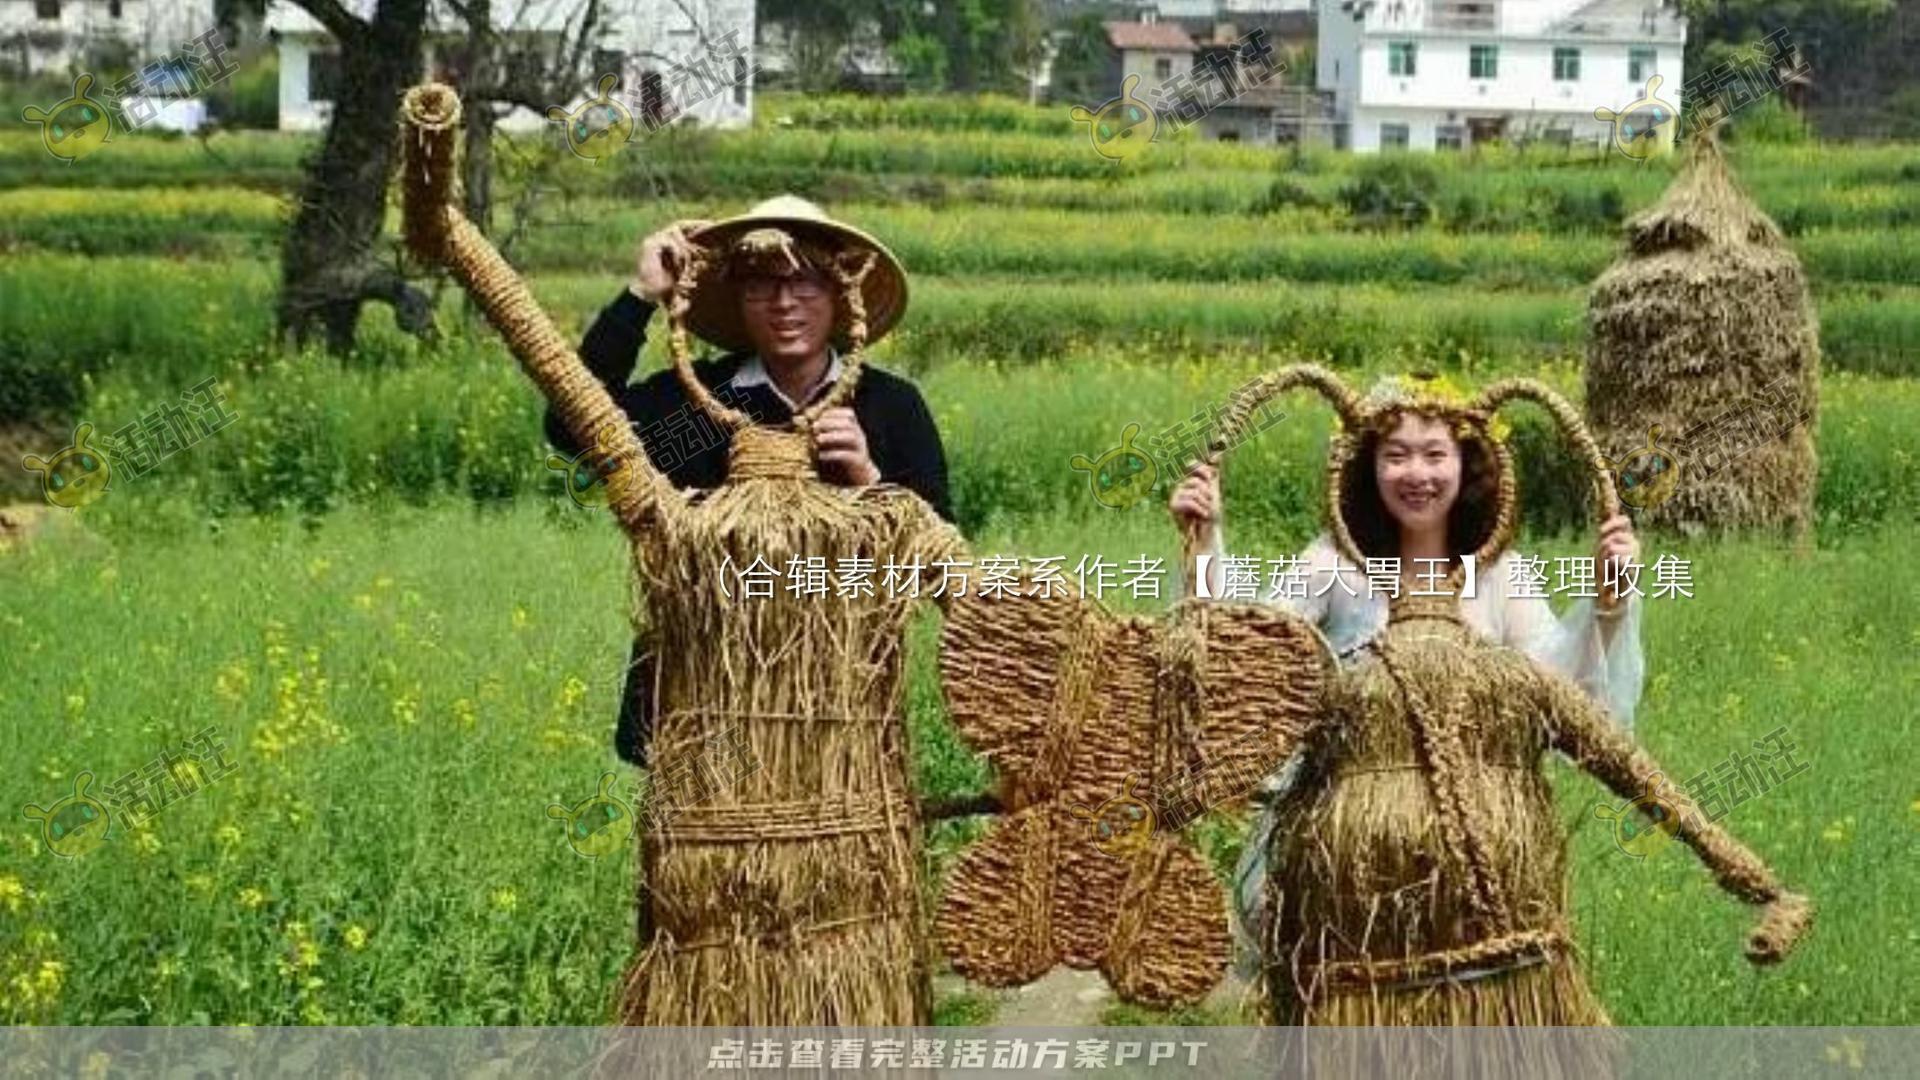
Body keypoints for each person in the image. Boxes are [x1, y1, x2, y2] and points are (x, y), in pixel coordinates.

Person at [1166, 374, 1645, 974]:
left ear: (1466, 465)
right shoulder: (1331, 562)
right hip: (1345, 841)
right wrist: (1205, 539)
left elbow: (1557, 686)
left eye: (1434, 454)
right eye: (1396, 456)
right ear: (1368, 468)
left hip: (1471, 846)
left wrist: (1609, 601)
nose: (1417, 474)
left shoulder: (1499, 573)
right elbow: (1253, 653)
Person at [546, 195, 953, 767]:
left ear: (838, 298)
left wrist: (871, 482)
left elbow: (941, 562)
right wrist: (640, 298)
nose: (784, 303)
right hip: (699, 703)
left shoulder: (887, 407)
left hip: (839, 707)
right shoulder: (700, 407)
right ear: (739, 302)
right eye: (761, 286)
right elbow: (572, 428)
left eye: (806, 284)